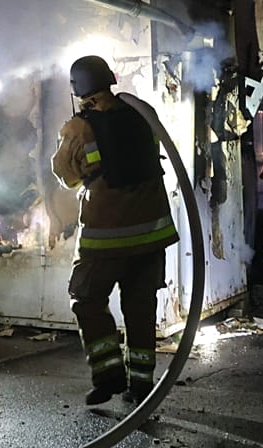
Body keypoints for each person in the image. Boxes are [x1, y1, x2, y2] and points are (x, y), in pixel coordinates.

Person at [51, 55, 179, 405]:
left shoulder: (79, 127)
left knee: (87, 299)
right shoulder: (140, 113)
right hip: (151, 234)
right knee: (140, 309)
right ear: (109, 79)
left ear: (78, 88)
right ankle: (141, 384)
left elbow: (67, 175)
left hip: (105, 238)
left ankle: (108, 374)